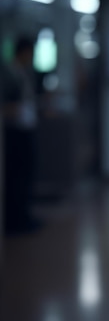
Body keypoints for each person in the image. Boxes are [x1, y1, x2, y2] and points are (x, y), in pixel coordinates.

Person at [1, 36, 42, 234]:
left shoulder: (23, 73)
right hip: (14, 132)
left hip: (26, 129)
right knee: (16, 178)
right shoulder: (9, 73)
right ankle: (15, 219)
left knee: (26, 176)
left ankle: (24, 216)